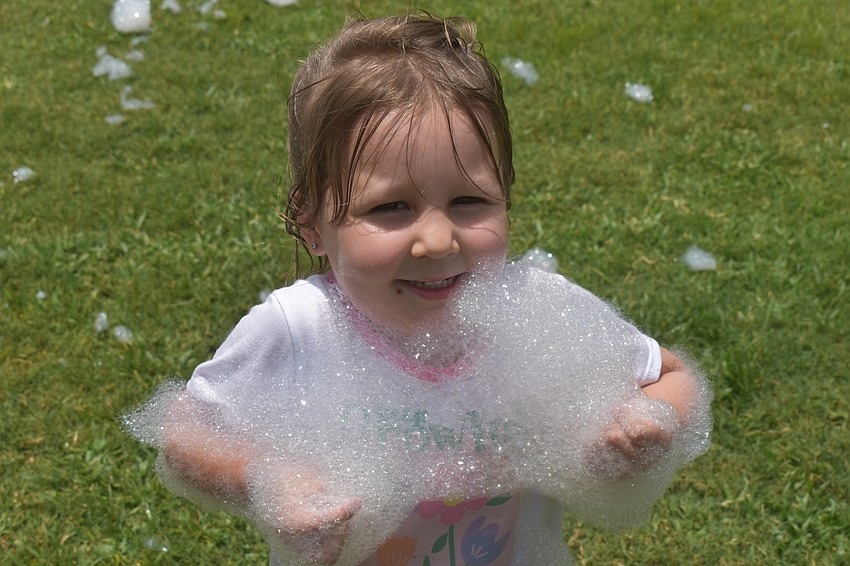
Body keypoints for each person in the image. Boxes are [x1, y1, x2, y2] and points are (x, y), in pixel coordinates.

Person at [128, 13, 710, 566]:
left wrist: (651, 421)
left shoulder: (536, 309)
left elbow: (672, 376)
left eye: (469, 200)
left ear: (505, 192)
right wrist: (268, 479)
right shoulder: (301, 328)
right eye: (391, 208)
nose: (437, 240)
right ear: (312, 224)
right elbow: (184, 433)